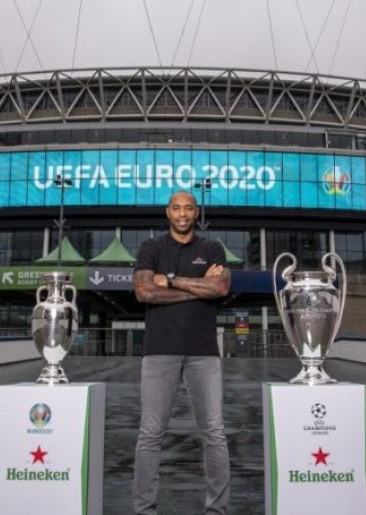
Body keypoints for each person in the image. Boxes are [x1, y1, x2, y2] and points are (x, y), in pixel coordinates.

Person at [132, 190, 231, 515]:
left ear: (196, 212)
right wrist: (197, 288)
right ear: (168, 212)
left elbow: (220, 288)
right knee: (150, 433)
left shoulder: (211, 248)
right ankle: (145, 510)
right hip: (159, 351)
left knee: (214, 433)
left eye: (188, 208)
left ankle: (217, 510)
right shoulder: (151, 247)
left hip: (204, 354)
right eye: (177, 208)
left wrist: (171, 281)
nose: (183, 213)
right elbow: (145, 292)